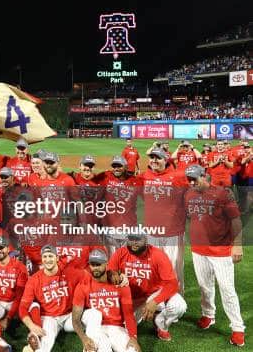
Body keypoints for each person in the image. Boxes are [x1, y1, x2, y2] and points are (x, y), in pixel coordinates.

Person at [184, 165, 245, 347]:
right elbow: (191, 218)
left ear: (205, 176)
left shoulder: (222, 193)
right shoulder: (189, 195)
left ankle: (237, 328)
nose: (192, 182)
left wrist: (238, 245)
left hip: (220, 251)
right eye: (189, 179)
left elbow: (235, 220)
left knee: (227, 290)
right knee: (205, 287)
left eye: (195, 178)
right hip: (198, 250)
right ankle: (209, 316)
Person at [19, 244, 102, 352]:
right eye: (45, 256)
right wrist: (32, 326)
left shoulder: (69, 272)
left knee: (95, 314)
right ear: (41, 259)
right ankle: (34, 347)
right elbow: (22, 308)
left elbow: (90, 277)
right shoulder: (34, 280)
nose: (48, 260)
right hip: (50, 318)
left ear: (57, 258)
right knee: (46, 343)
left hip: (70, 317)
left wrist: (113, 278)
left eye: (51, 256)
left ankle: (91, 348)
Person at [108, 234, 187, 341]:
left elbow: (172, 283)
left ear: (146, 240)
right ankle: (148, 313)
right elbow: (109, 273)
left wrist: (155, 301)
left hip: (153, 295)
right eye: (131, 239)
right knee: (122, 328)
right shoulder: (120, 252)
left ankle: (161, 323)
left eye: (138, 239)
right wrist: (114, 275)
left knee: (179, 306)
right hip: (131, 299)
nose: (134, 243)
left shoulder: (157, 254)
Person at [72, 249, 141, 352]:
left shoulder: (120, 283)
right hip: (96, 328)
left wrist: (133, 337)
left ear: (106, 263)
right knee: (94, 314)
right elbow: (75, 319)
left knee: (132, 350)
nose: (95, 268)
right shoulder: (83, 286)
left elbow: (128, 315)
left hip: (117, 328)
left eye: (98, 264)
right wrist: (84, 338)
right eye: (92, 264)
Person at [140, 148, 188, 292]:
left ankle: (176, 302)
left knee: (173, 269)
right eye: (152, 157)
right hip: (152, 231)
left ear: (165, 160)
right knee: (153, 268)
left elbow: (191, 195)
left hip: (173, 232)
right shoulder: (144, 176)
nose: (154, 160)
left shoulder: (178, 176)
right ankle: (158, 302)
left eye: (158, 158)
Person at [96, 156, 143, 257]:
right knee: (110, 262)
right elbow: (89, 179)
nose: (116, 168)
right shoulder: (106, 177)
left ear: (126, 167)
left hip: (129, 230)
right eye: (114, 166)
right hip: (109, 230)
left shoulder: (135, 181)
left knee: (127, 261)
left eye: (119, 166)